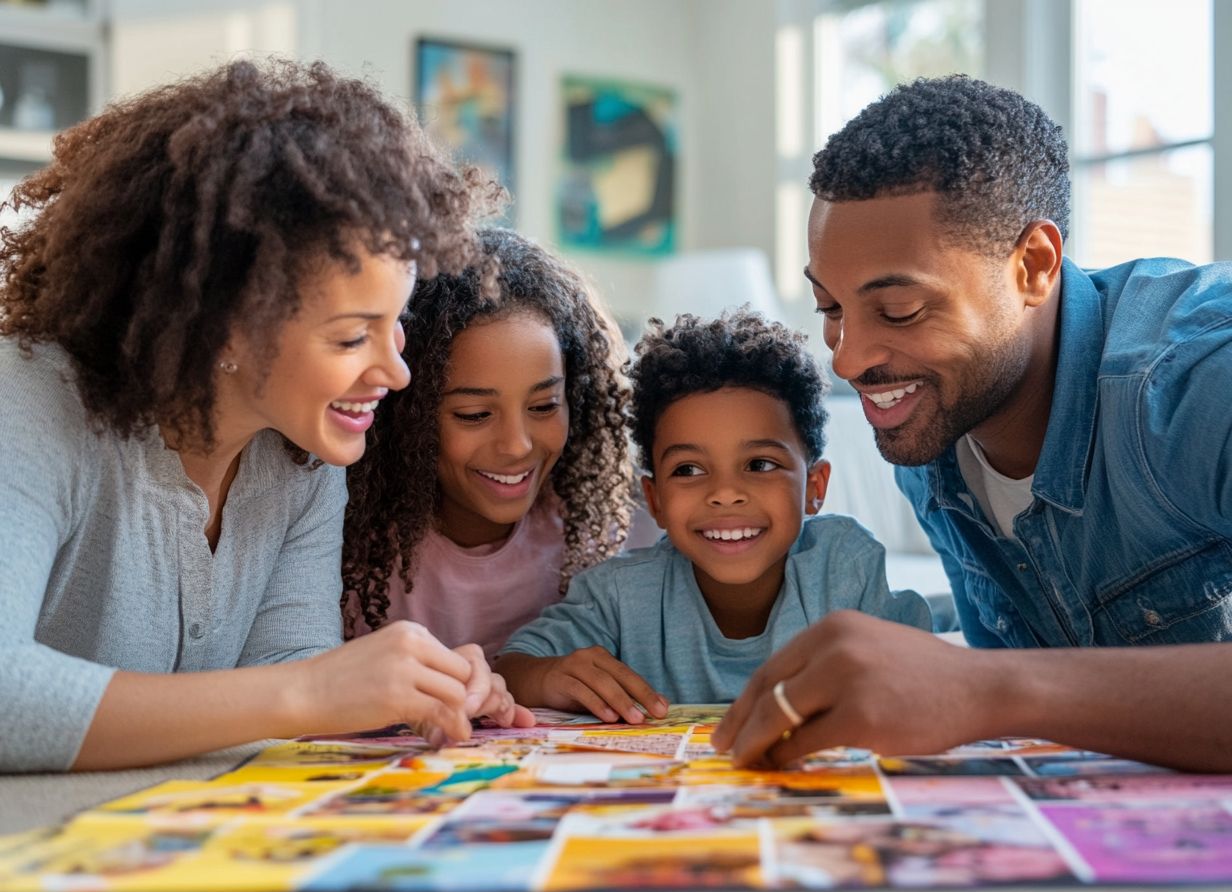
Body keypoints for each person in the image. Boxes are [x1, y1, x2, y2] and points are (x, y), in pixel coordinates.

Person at [0, 59, 531, 774]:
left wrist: (407, 691)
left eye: (394, 324)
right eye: (350, 337)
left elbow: (284, 672)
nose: (396, 373)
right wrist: (311, 690)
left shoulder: (302, 453)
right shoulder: (29, 402)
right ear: (219, 325)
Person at [712, 74, 1232, 773]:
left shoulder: (1197, 380)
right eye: (830, 309)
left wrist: (986, 688)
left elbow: (997, 693)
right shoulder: (933, 438)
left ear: (1034, 266)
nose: (848, 360)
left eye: (899, 311)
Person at [496, 310, 932, 722]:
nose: (725, 494)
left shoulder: (843, 567)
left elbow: (922, 668)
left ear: (814, 488)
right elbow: (513, 667)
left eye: (759, 465)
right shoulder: (619, 596)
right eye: (688, 470)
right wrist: (547, 677)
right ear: (656, 500)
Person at [342, 227, 632, 658]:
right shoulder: (352, 553)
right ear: (406, 417)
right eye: (474, 415)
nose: (516, 446)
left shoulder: (601, 530)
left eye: (544, 406)